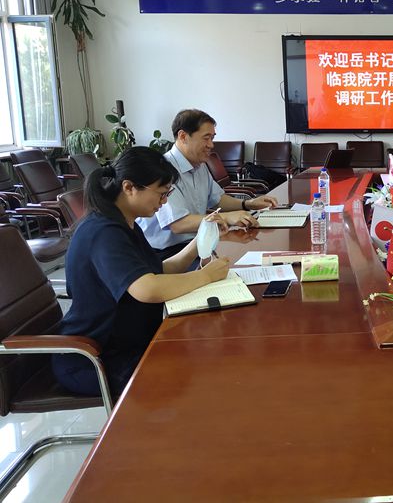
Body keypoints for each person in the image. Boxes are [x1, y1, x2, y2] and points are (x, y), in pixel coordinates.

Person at [52, 147, 231, 398]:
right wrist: (206, 276)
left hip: (127, 342)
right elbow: (148, 288)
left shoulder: (125, 223)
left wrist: (200, 239)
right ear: (129, 187)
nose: (164, 201)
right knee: (197, 375)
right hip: (95, 358)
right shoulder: (104, 232)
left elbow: (158, 270)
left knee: (206, 353)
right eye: (161, 193)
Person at [139, 109, 278, 258]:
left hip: (198, 242)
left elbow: (217, 199)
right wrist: (227, 217)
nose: (211, 145)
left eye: (212, 138)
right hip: (168, 252)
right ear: (183, 136)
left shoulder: (199, 164)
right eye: (206, 138)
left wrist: (248, 204)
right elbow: (178, 224)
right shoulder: (165, 168)